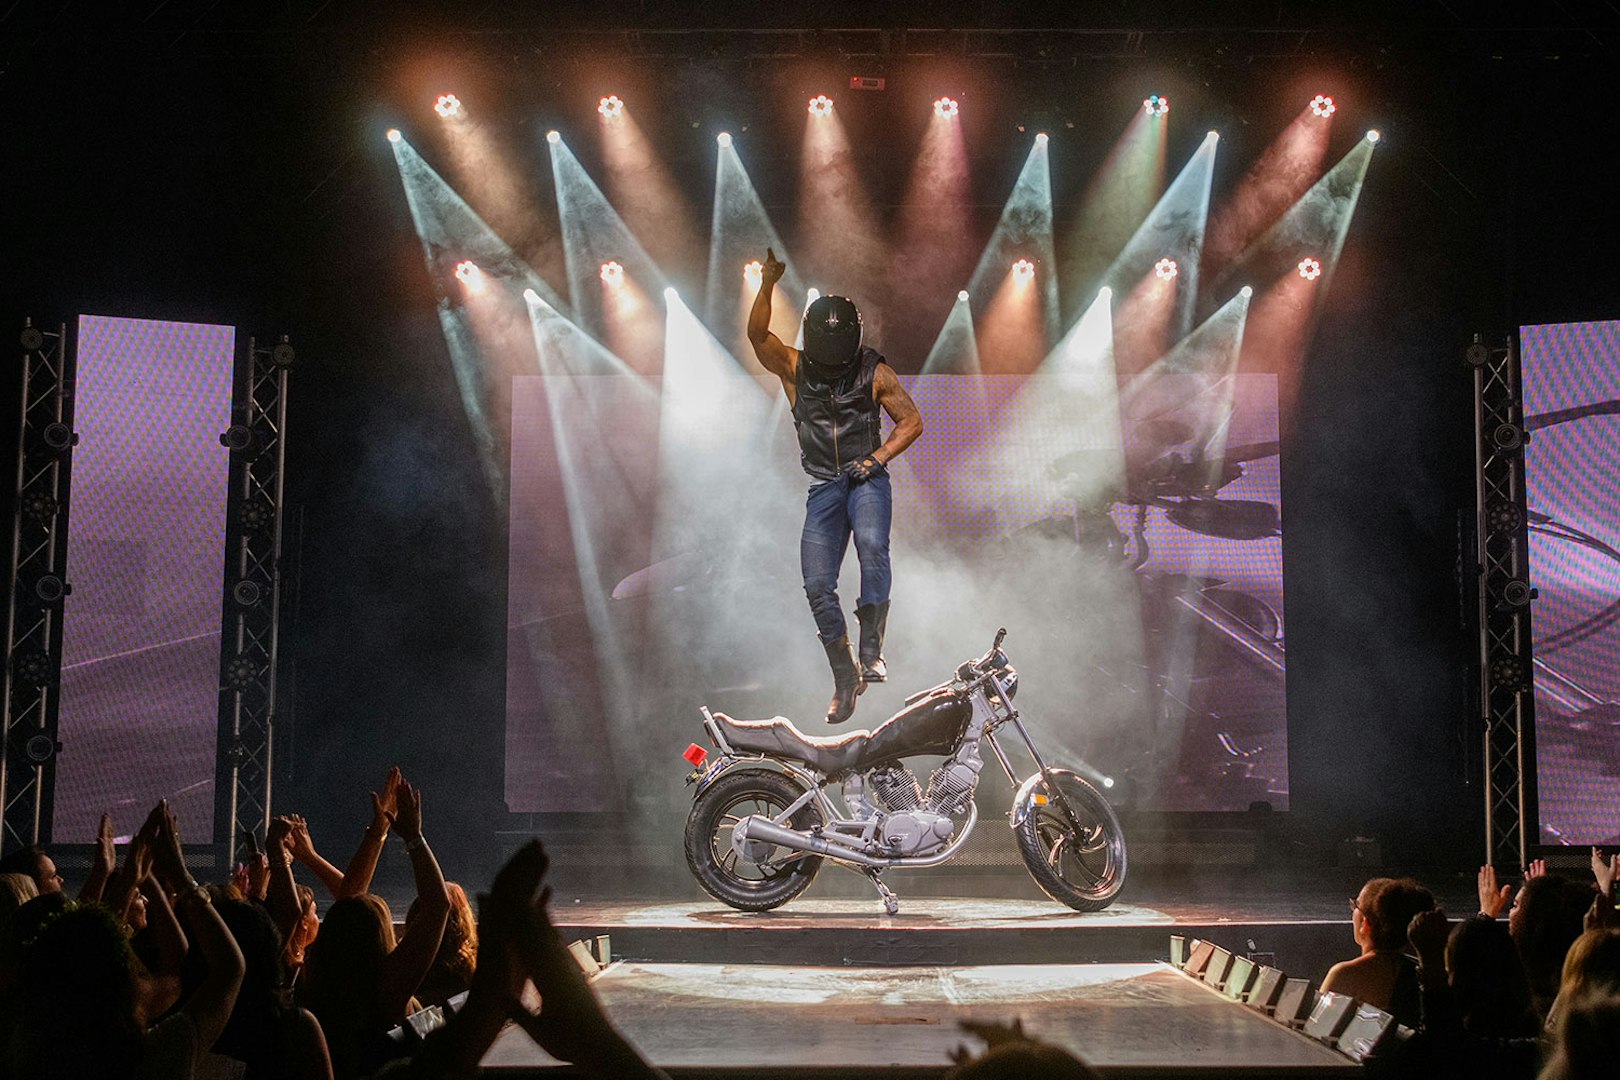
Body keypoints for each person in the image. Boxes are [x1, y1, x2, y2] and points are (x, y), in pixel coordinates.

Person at [747, 247, 924, 724]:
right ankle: (845, 677)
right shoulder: (793, 366)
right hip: (824, 486)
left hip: (865, 480)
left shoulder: (874, 371)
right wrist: (766, 284)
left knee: (872, 545)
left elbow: (911, 421)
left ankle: (871, 653)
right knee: (817, 585)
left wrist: (878, 456)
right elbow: (756, 334)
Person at [1320, 877, 1434, 1026]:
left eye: (1356, 906)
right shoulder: (1421, 973)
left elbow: (1317, 1032)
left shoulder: (1345, 974)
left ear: (1365, 923)